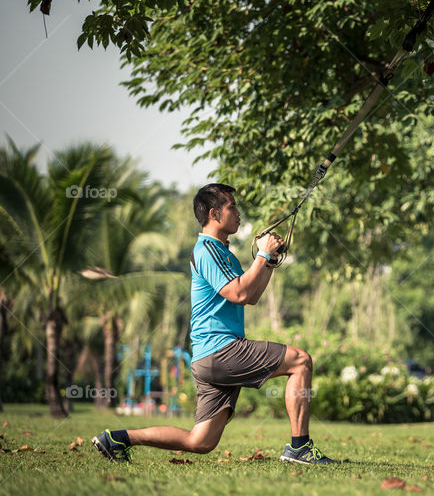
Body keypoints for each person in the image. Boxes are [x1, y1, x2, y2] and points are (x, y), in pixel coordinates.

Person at [92, 183, 337, 465]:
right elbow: (239, 292)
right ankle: (299, 448)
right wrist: (261, 254)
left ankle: (118, 438)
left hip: (209, 357)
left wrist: (268, 261)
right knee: (301, 360)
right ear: (214, 213)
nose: (238, 212)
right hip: (221, 350)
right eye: (231, 207)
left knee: (201, 441)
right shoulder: (207, 250)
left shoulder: (223, 253)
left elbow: (251, 296)